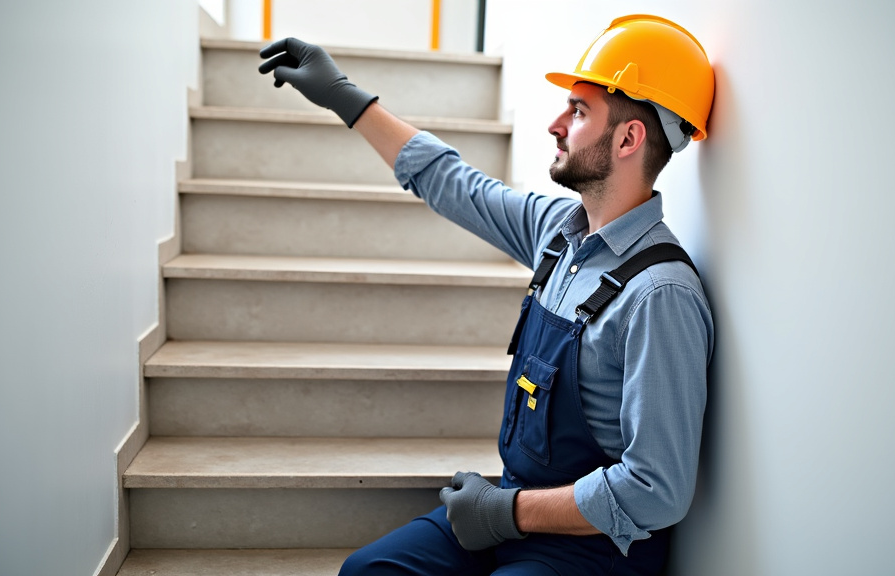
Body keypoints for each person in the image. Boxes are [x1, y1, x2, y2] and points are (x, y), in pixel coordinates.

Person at [258, 14, 715, 576]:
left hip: (596, 548)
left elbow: (657, 489)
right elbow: (456, 185)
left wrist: (508, 512)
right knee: (367, 572)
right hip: (517, 507)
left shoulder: (660, 295)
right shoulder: (559, 233)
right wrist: (346, 99)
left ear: (628, 138)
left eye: (577, 110)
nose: (555, 124)